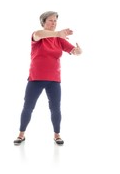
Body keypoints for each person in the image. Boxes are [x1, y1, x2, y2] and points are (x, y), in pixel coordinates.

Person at [13, 11, 82, 146]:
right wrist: (58, 33)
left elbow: (73, 50)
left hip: (54, 80)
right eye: (50, 20)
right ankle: (21, 134)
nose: (54, 23)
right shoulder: (38, 34)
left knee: (55, 108)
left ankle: (57, 135)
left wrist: (77, 51)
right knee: (28, 107)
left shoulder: (59, 39)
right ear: (43, 22)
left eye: (55, 21)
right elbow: (38, 34)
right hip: (36, 79)